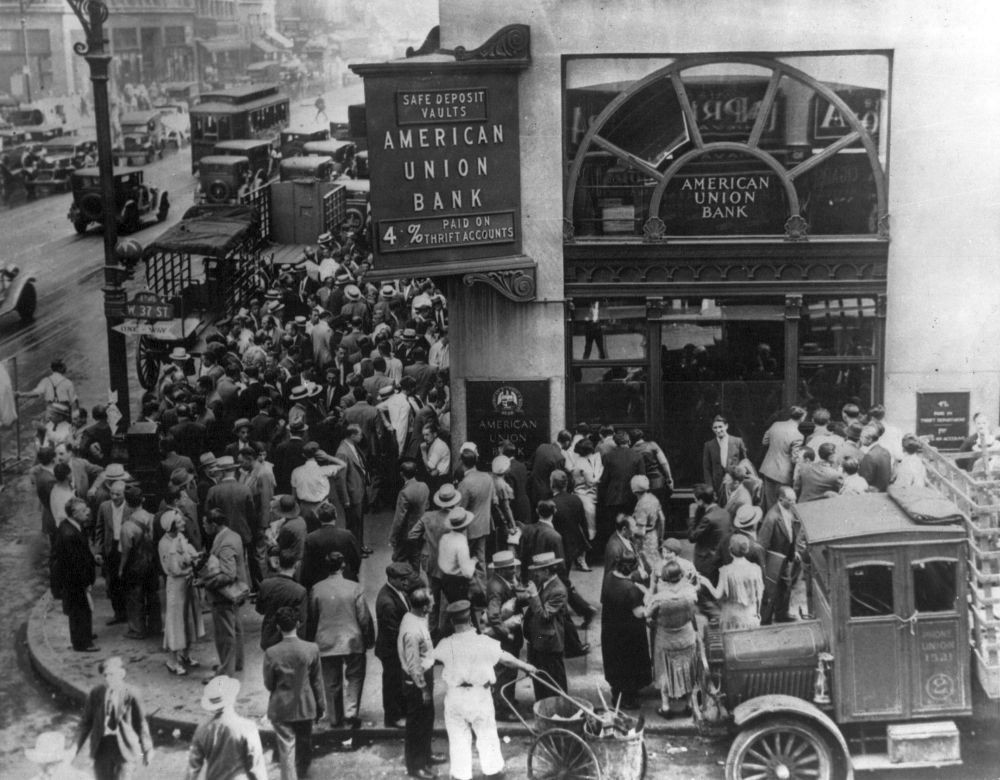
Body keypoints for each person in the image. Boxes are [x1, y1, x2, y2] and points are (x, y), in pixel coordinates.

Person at [432, 600, 537, 780]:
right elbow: (506, 659)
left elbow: (429, 658)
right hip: (479, 695)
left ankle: (460, 774)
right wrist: (527, 667)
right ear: (472, 620)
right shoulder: (484, 642)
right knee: (486, 733)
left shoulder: (444, 644)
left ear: (451, 622)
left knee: (458, 737)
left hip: (455, 696)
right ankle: (493, 770)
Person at [306, 551, 374, 733]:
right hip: (352, 639)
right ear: (343, 566)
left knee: (331, 681)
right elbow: (364, 618)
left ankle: (335, 718)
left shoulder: (317, 589)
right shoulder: (355, 588)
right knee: (355, 677)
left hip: (326, 641)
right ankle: (351, 715)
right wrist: (368, 639)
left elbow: (312, 617)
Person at [263, 606, 326, 780]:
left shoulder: (271, 653)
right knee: (304, 744)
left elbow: (269, 683)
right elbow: (317, 681)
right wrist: (321, 706)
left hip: (281, 706)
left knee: (286, 749)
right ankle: (304, 774)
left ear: (278, 627)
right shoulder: (311, 648)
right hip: (305, 704)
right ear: (298, 624)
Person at [75, 657, 153, 780]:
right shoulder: (97, 693)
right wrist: (77, 748)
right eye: (105, 675)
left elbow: (141, 723)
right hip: (102, 747)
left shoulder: (131, 693)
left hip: (124, 746)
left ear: (122, 674)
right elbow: (86, 723)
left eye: (111, 674)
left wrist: (146, 749)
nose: (108, 678)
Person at [398, 588, 447, 779]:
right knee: (416, 725)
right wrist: (424, 689)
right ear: (424, 607)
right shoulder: (411, 630)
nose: (434, 604)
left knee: (427, 719)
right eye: (431, 602)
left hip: (424, 676)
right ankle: (416, 766)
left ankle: (426, 755)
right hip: (416, 681)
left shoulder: (417, 618)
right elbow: (413, 665)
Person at [185, 676, 267, 780]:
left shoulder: (203, 729)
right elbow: (256, 767)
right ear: (232, 698)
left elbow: (193, 769)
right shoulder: (247, 728)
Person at [199, 508, 249, 677]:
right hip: (235, 592)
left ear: (214, 524)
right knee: (235, 628)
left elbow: (228, 574)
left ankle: (226, 671)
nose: (204, 527)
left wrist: (205, 581)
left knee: (224, 634)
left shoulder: (225, 542)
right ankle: (237, 663)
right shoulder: (233, 535)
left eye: (205, 524)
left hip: (224, 595)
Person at [408, 483, 462, 638]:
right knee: (452, 598)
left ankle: (431, 632)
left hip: (431, 563)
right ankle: (451, 630)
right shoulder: (457, 519)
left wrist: (426, 543)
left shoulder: (427, 517)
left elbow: (412, 535)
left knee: (432, 599)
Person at [646, 561, 699, 718]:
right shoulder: (690, 592)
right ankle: (689, 704)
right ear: (681, 576)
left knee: (665, 671)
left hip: (666, 638)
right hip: (687, 636)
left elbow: (647, 614)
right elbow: (696, 595)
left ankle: (666, 706)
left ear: (664, 578)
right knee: (689, 669)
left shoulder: (660, 598)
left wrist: (648, 592)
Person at [601, 555, 652, 709]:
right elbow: (640, 613)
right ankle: (628, 700)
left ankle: (617, 693)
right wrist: (647, 594)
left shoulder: (610, 577)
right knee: (629, 665)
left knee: (615, 662)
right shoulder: (630, 589)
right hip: (629, 634)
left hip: (611, 630)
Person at [483, 550, 529, 721]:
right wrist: (506, 634)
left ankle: (506, 701)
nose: (514, 571)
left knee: (509, 673)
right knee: (504, 674)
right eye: (511, 568)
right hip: (504, 641)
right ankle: (503, 709)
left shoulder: (501, 581)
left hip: (507, 639)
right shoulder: (496, 588)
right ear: (502, 570)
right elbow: (494, 616)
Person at [159, 510, 204, 675]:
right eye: (179, 522)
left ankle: (186, 654)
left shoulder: (181, 539)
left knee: (189, 619)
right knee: (175, 621)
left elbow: (190, 555)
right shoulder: (164, 544)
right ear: (171, 526)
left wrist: (196, 559)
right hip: (176, 586)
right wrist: (190, 565)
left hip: (187, 584)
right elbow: (172, 569)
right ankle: (172, 660)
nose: (183, 523)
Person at [50, 497, 99, 652]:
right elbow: (75, 562)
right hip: (74, 580)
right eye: (83, 510)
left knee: (82, 609)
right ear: (73, 514)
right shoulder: (69, 534)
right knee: (79, 609)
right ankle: (82, 643)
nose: (88, 512)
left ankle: (85, 635)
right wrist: (86, 582)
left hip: (74, 579)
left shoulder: (72, 526)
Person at [376, 562, 419, 729]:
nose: (406, 583)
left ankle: (400, 712)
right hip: (391, 650)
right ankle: (393, 717)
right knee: (392, 683)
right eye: (403, 580)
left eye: (407, 579)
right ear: (392, 579)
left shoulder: (397, 592)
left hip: (396, 647)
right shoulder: (387, 602)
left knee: (398, 681)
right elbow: (393, 633)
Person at [523, 551, 569, 700]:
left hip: (550, 644)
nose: (535, 574)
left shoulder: (558, 590)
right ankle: (543, 706)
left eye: (538, 571)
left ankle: (559, 709)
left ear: (547, 571)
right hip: (540, 640)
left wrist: (534, 596)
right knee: (540, 679)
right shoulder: (545, 583)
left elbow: (545, 616)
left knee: (554, 682)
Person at [758, 487, 806, 624]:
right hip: (774, 561)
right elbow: (762, 543)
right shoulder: (771, 518)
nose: (794, 503)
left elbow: (790, 533)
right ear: (781, 499)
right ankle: (766, 619)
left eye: (795, 500)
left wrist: (794, 551)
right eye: (791, 500)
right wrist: (765, 565)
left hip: (785, 557)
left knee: (785, 585)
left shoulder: (788, 510)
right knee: (771, 590)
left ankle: (781, 614)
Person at [118, 489, 161, 640]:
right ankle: (156, 626)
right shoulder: (153, 518)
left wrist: (122, 568)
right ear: (143, 499)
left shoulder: (127, 526)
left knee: (135, 597)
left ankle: (137, 629)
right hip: (152, 562)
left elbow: (126, 550)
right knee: (153, 594)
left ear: (128, 503)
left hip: (135, 565)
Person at [701, 535, 764, 630]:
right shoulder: (756, 568)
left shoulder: (726, 571)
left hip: (732, 617)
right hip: (750, 615)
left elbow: (717, 595)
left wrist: (706, 582)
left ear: (730, 550)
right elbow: (759, 594)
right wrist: (757, 613)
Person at [256, 547, 307, 651]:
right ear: (296, 565)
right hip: (290, 641)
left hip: (269, 637)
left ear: (278, 563)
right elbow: (302, 622)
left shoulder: (265, 584)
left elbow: (260, 610)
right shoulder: (300, 591)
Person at [300, 502, 362, 588]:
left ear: (318, 517)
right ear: (336, 515)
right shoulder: (347, 535)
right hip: (344, 579)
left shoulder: (311, 538)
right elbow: (356, 558)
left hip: (320, 582)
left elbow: (307, 565)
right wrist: (352, 573)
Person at [95, 480, 130, 626]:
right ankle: (118, 614)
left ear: (124, 494)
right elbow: (99, 529)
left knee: (127, 581)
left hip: (126, 548)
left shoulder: (130, 507)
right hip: (111, 549)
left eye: (118, 494)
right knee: (113, 583)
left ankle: (131, 614)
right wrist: (98, 550)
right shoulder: (104, 507)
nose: (114, 496)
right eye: (112, 493)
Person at [456, 443, 494, 570]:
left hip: (469, 529)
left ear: (462, 462)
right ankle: (482, 587)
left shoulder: (465, 484)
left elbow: (459, 509)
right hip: (484, 525)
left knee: (465, 562)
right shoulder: (487, 477)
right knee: (481, 560)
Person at [335, 423, 371, 554]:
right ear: (352, 435)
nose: (362, 436)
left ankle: (359, 546)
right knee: (353, 524)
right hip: (352, 494)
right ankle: (354, 550)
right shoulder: (342, 453)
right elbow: (340, 479)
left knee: (358, 522)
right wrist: (345, 499)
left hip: (358, 490)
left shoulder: (352, 446)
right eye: (360, 434)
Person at [688, 484, 732, 586]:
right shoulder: (725, 512)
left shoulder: (708, 519)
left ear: (701, 501)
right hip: (722, 556)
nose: (694, 501)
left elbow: (692, 537)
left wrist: (691, 517)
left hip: (707, 560)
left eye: (695, 499)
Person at [390, 460, 429, 566]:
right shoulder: (424, 486)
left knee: (398, 560)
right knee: (416, 559)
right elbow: (427, 506)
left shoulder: (404, 492)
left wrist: (393, 537)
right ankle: (415, 579)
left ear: (402, 474)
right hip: (421, 529)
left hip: (407, 533)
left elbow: (399, 518)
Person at [550, 469, 590, 572]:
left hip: (557, 546)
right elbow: (583, 523)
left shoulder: (552, 503)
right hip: (573, 544)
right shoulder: (576, 499)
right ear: (566, 484)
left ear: (552, 484)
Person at [702, 415, 748, 502]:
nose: (718, 430)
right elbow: (706, 468)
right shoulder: (709, 445)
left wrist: (735, 476)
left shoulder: (737, 441)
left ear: (726, 426)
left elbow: (744, 463)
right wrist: (710, 488)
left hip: (735, 483)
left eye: (720, 427)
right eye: (715, 428)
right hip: (717, 486)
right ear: (712, 429)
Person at [859, 422, 893, 492]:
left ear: (870, 440)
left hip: (872, 493)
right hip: (884, 491)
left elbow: (864, 480)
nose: (860, 439)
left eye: (862, 437)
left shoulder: (869, 456)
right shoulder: (885, 451)